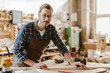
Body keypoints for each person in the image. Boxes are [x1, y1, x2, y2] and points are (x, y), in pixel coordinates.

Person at [13, 3, 86, 69]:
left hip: (37, 65)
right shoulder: (27, 28)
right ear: (39, 15)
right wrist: (32, 64)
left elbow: (61, 46)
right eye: (44, 15)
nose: (46, 19)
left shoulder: (51, 29)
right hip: (21, 66)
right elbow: (17, 51)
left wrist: (72, 62)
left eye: (49, 16)